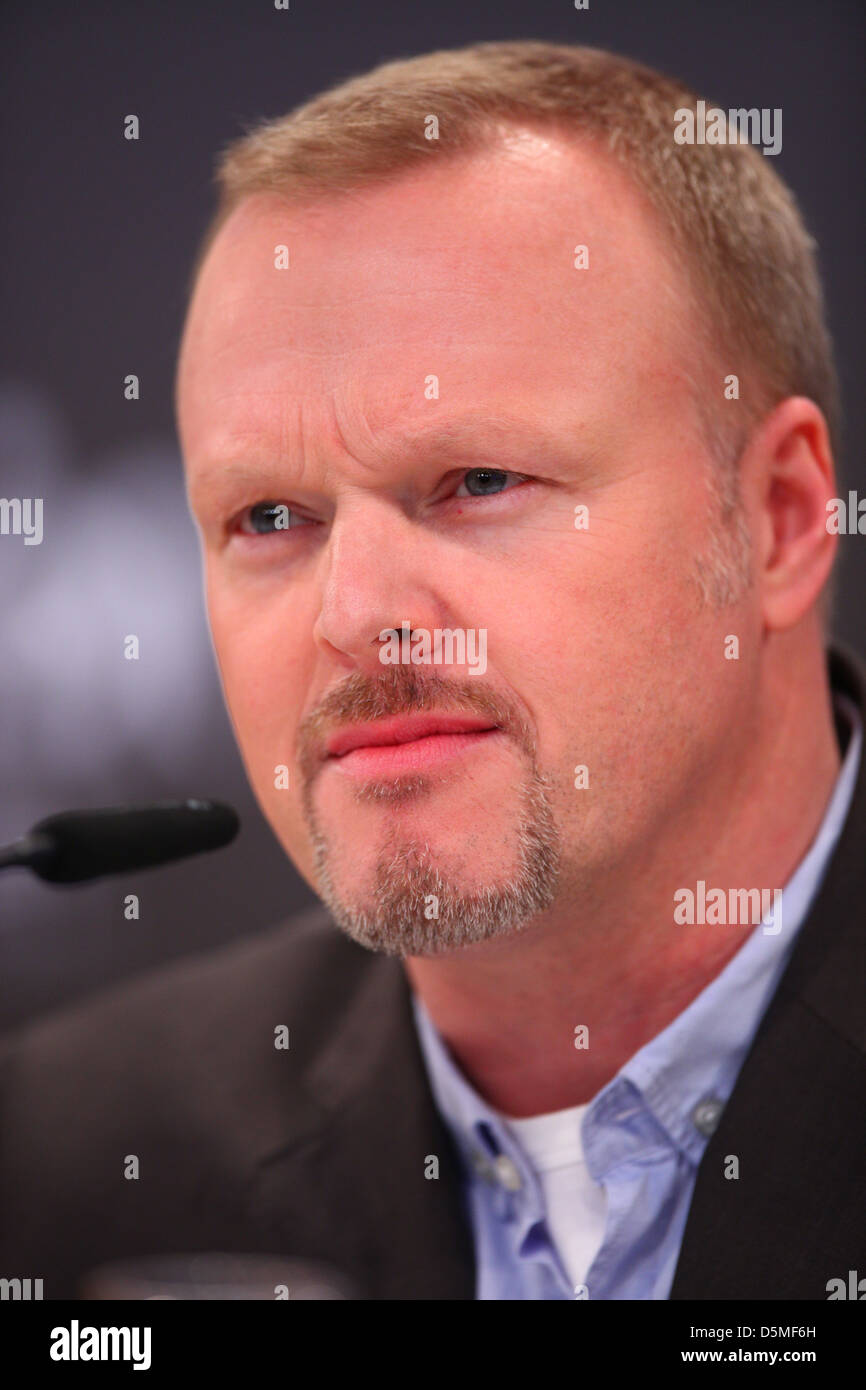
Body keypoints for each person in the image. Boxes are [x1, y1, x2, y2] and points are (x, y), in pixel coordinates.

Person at [1, 40, 863, 1301]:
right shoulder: (69, 1152)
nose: (351, 617)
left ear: (780, 520)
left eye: (476, 483)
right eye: (269, 518)